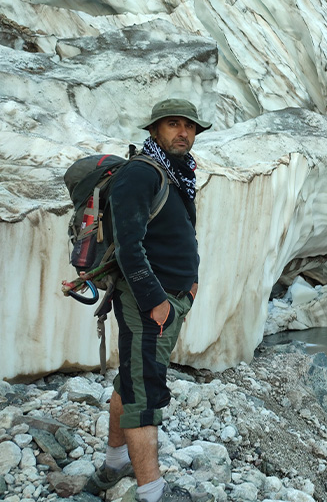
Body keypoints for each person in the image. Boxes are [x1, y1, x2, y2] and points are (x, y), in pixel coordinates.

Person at [84, 99, 210, 502]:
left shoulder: (176, 173)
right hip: (149, 304)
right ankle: (152, 491)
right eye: (173, 125)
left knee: (132, 379)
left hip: (172, 299)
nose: (183, 133)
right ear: (155, 130)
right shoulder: (140, 174)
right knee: (145, 393)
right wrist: (155, 300)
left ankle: (115, 461)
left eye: (189, 126)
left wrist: (187, 287)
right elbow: (128, 247)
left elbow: (175, 236)